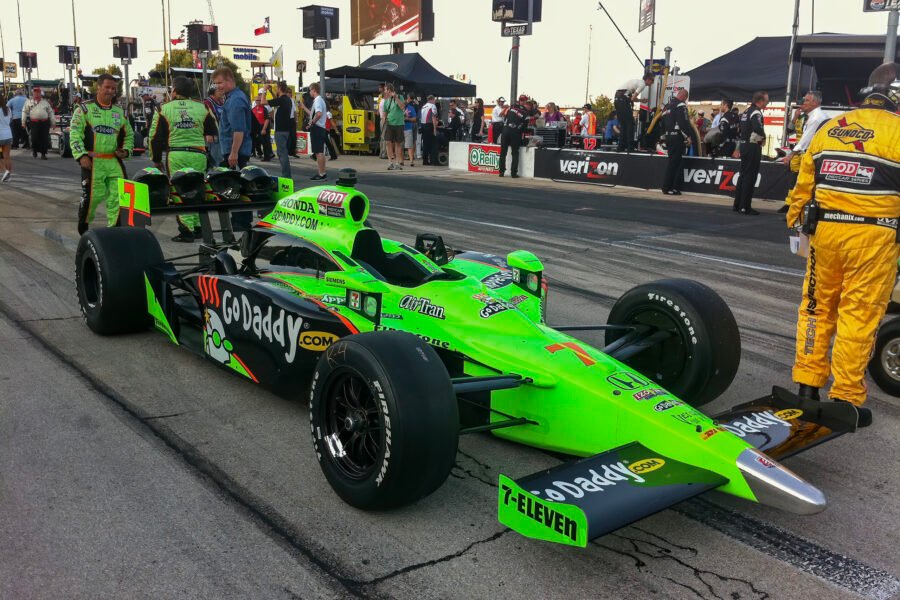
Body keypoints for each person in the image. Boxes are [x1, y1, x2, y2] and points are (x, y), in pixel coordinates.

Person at [786, 63, 900, 428]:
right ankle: (846, 398)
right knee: (859, 315)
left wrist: (796, 218)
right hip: (874, 237)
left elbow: (804, 179)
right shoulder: (898, 130)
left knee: (816, 309)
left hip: (826, 234)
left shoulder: (831, 127)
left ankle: (807, 387)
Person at [149, 76, 218, 242]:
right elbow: (213, 130)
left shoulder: (163, 108)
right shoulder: (202, 107)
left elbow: (154, 138)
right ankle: (198, 227)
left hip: (177, 154)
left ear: (174, 90)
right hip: (198, 153)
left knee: (180, 190)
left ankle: (187, 231)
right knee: (197, 188)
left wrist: (156, 159)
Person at [69, 73, 134, 235]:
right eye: (107, 87)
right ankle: (83, 231)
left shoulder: (120, 112)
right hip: (93, 161)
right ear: (98, 87)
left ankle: (116, 232)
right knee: (92, 198)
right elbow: (75, 134)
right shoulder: (84, 109)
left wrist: (125, 151)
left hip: (113, 161)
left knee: (119, 197)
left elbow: (129, 135)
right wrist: (81, 155)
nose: (111, 91)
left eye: (113, 88)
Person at [213, 66, 253, 230]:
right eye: (216, 84)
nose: (218, 87)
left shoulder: (235, 100)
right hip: (234, 151)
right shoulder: (234, 97)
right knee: (237, 186)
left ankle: (240, 221)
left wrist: (234, 152)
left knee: (234, 187)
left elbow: (238, 130)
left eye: (220, 83)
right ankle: (240, 219)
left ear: (230, 80)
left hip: (235, 152)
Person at [779, 91, 828, 214]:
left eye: (806, 100)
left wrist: (790, 155)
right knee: (797, 180)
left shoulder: (816, 118)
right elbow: (790, 130)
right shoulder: (807, 116)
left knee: (806, 184)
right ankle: (795, 208)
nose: (803, 103)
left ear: (815, 102)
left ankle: (801, 213)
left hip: (811, 155)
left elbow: (806, 139)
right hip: (804, 152)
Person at [733, 90, 769, 215]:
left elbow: (741, 129)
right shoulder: (756, 112)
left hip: (744, 145)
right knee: (750, 176)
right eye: (767, 101)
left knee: (743, 175)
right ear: (761, 101)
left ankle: (737, 204)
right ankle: (744, 206)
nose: (768, 103)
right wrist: (763, 137)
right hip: (752, 146)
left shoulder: (746, 111)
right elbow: (758, 127)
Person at [661, 88, 691, 195]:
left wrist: (664, 136)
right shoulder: (680, 106)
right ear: (684, 96)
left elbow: (662, 122)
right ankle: (669, 188)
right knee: (675, 164)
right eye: (686, 98)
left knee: (671, 163)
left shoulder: (667, 106)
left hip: (668, 138)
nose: (685, 101)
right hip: (677, 138)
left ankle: (668, 187)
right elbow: (683, 123)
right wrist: (688, 136)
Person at [614, 72, 654, 152]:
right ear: (648, 79)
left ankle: (621, 147)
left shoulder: (637, 82)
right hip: (623, 100)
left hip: (617, 99)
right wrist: (639, 100)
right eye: (652, 81)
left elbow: (631, 98)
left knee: (623, 125)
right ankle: (630, 148)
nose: (652, 83)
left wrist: (641, 100)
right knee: (630, 124)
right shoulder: (642, 84)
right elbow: (632, 99)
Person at [498, 94, 528, 179]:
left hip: (506, 130)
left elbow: (506, 117)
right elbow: (524, 127)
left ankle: (501, 172)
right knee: (515, 153)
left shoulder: (512, 107)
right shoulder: (526, 112)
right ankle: (513, 173)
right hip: (515, 132)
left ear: (519, 100)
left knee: (503, 152)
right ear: (525, 101)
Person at [270, 81, 295, 180]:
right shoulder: (288, 100)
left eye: (277, 88)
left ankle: (286, 175)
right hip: (286, 130)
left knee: (282, 153)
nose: (276, 89)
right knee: (283, 153)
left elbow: (264, 102)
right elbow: (276, 100)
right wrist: (271, 91)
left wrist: (264, 91)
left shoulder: (281, 100)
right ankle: (286, 174)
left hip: (280, 130)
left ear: (280, 88)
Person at [23, 87, 55, 159]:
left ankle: (43, 154)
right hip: (34, 123)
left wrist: (53, 122)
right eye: (35, 93)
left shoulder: (45, 102)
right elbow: (24, 112)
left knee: (44, 138)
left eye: (38, 93)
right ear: (33, 94)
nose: (36, 94)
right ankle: (35, 150)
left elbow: (50, 112)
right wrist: (23, 122)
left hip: (44, 123)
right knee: (34, 138)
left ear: (40, 94)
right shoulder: (28, 102)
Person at [382, 83, 407, 170]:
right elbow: (384, 113)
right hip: (389, 123)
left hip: (399, 124)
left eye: (386, 90)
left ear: (389, 90)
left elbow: (402, 107)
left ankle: (397, 162)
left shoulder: (399, 97)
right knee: (388, 142)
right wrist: (383, 121)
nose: (385, 92)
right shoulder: (386, 101)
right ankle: (390, 162)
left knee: (398, 143)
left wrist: (395, 97)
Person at [307, 82, 328, 181]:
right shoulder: (320, 100)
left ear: (314, 90)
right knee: (320, 152)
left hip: (317, 128)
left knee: (318, 152)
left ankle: (321, 173)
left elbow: (318, 114)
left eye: (310, 90)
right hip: (321, 128)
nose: (309, 92)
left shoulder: (318, 100)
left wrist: (312, 123)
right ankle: (322, 172)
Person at [203, 83, 225, 168]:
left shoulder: (220, 102)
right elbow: (206, 119)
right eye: (219, 90)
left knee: (219, 156)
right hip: (213, 134)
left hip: (220, 132)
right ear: (213, 92)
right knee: (215, 157)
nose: (221, 92)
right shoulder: (207, 103)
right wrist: (209, 133)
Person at [252, 92, 274, 161]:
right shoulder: (253, 109)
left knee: (265, 143)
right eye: (256, 100)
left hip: (263, 127)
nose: (258, 102)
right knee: (256, 142)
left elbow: (267, 119)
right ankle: (259, 153)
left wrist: (264, 129)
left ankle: (267, 157)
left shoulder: (264, 109)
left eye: (259, 100)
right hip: (256, 128)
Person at [420, 95, 439, 166]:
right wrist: (434, 128)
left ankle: (425, 160)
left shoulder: (423, 106)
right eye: (434, 100)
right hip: (429, 125)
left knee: (425, 144)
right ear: (432, 99)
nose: (435, 101)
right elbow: (433, 117)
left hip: (423, 125)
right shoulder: (432, 106)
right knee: (433, 144)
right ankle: (433, 160)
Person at [0, 97, 13, 182]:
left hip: (0, 136)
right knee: (7, 156)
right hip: (8, 135)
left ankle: (5, 171)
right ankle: (8, 175)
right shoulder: (7, 109)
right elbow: (10, 120)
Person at [404, 94, 418, 165]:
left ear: (409, 98)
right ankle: (413, 155)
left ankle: (410, 156)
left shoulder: (409, 105)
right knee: (414, 140)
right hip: (415, 123)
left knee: (410, 141)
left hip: (410, 124)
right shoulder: (416, 104)